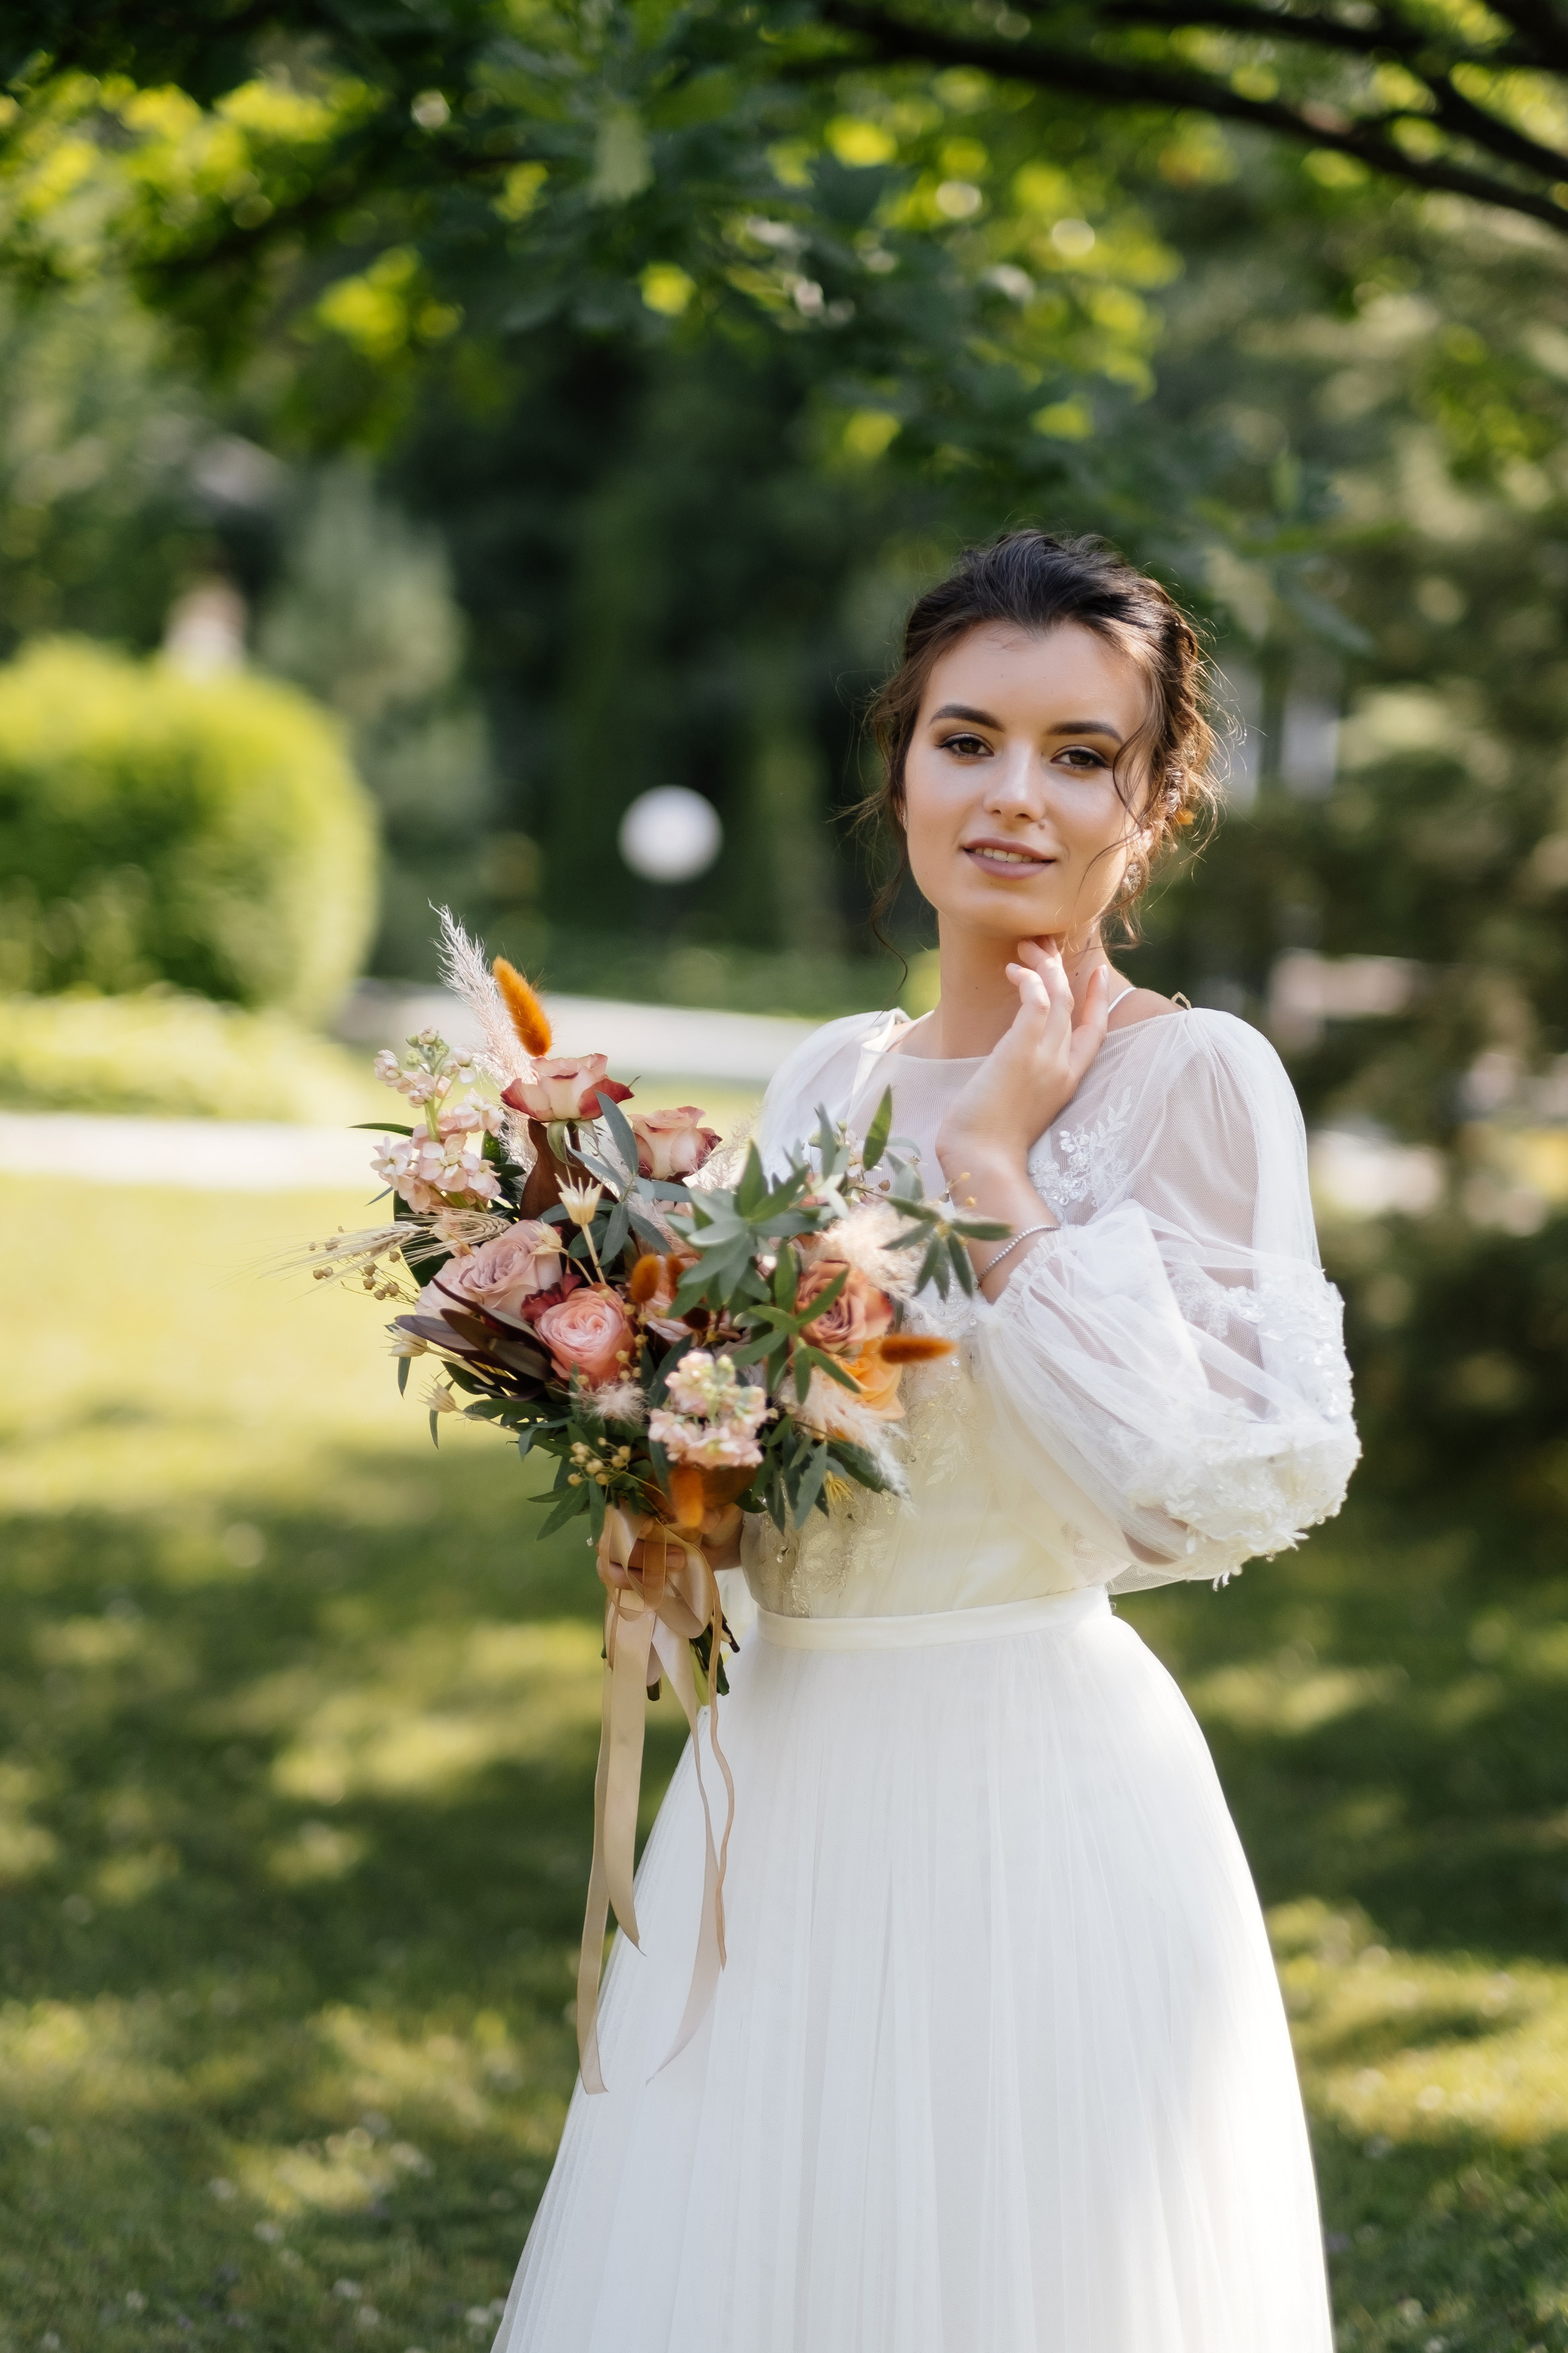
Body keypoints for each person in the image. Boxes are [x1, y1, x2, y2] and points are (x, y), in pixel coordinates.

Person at [492, 529, 1358, 2353]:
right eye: (967, 739)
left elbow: (1200, 1489)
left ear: (1159, 798)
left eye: (1078, 754)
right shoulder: (826, 1075)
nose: (1012, 797)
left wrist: (998, 1177)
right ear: (901, 764)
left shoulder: (1198, 1079)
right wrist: (681, 1487)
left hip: (1025, 1783)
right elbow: (822, 1412)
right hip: (786, 1764)